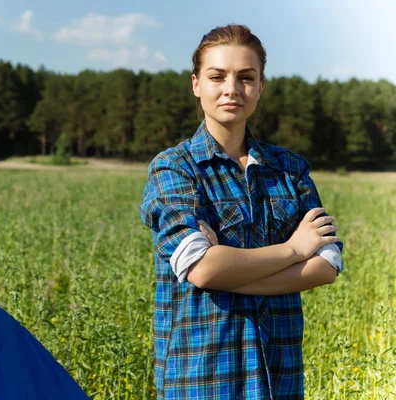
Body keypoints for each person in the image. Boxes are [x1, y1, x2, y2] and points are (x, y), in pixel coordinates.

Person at [139, 24, 344, 399]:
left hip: (278, 376)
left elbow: (327, 265)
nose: (232, 88)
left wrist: (227, 272)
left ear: (261, 86)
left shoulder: (290, 168)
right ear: (196, 84)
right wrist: (293, 251)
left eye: (246, 77)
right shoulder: (174, 169)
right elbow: (203, 268)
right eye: (217, 76)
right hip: (201, 377)